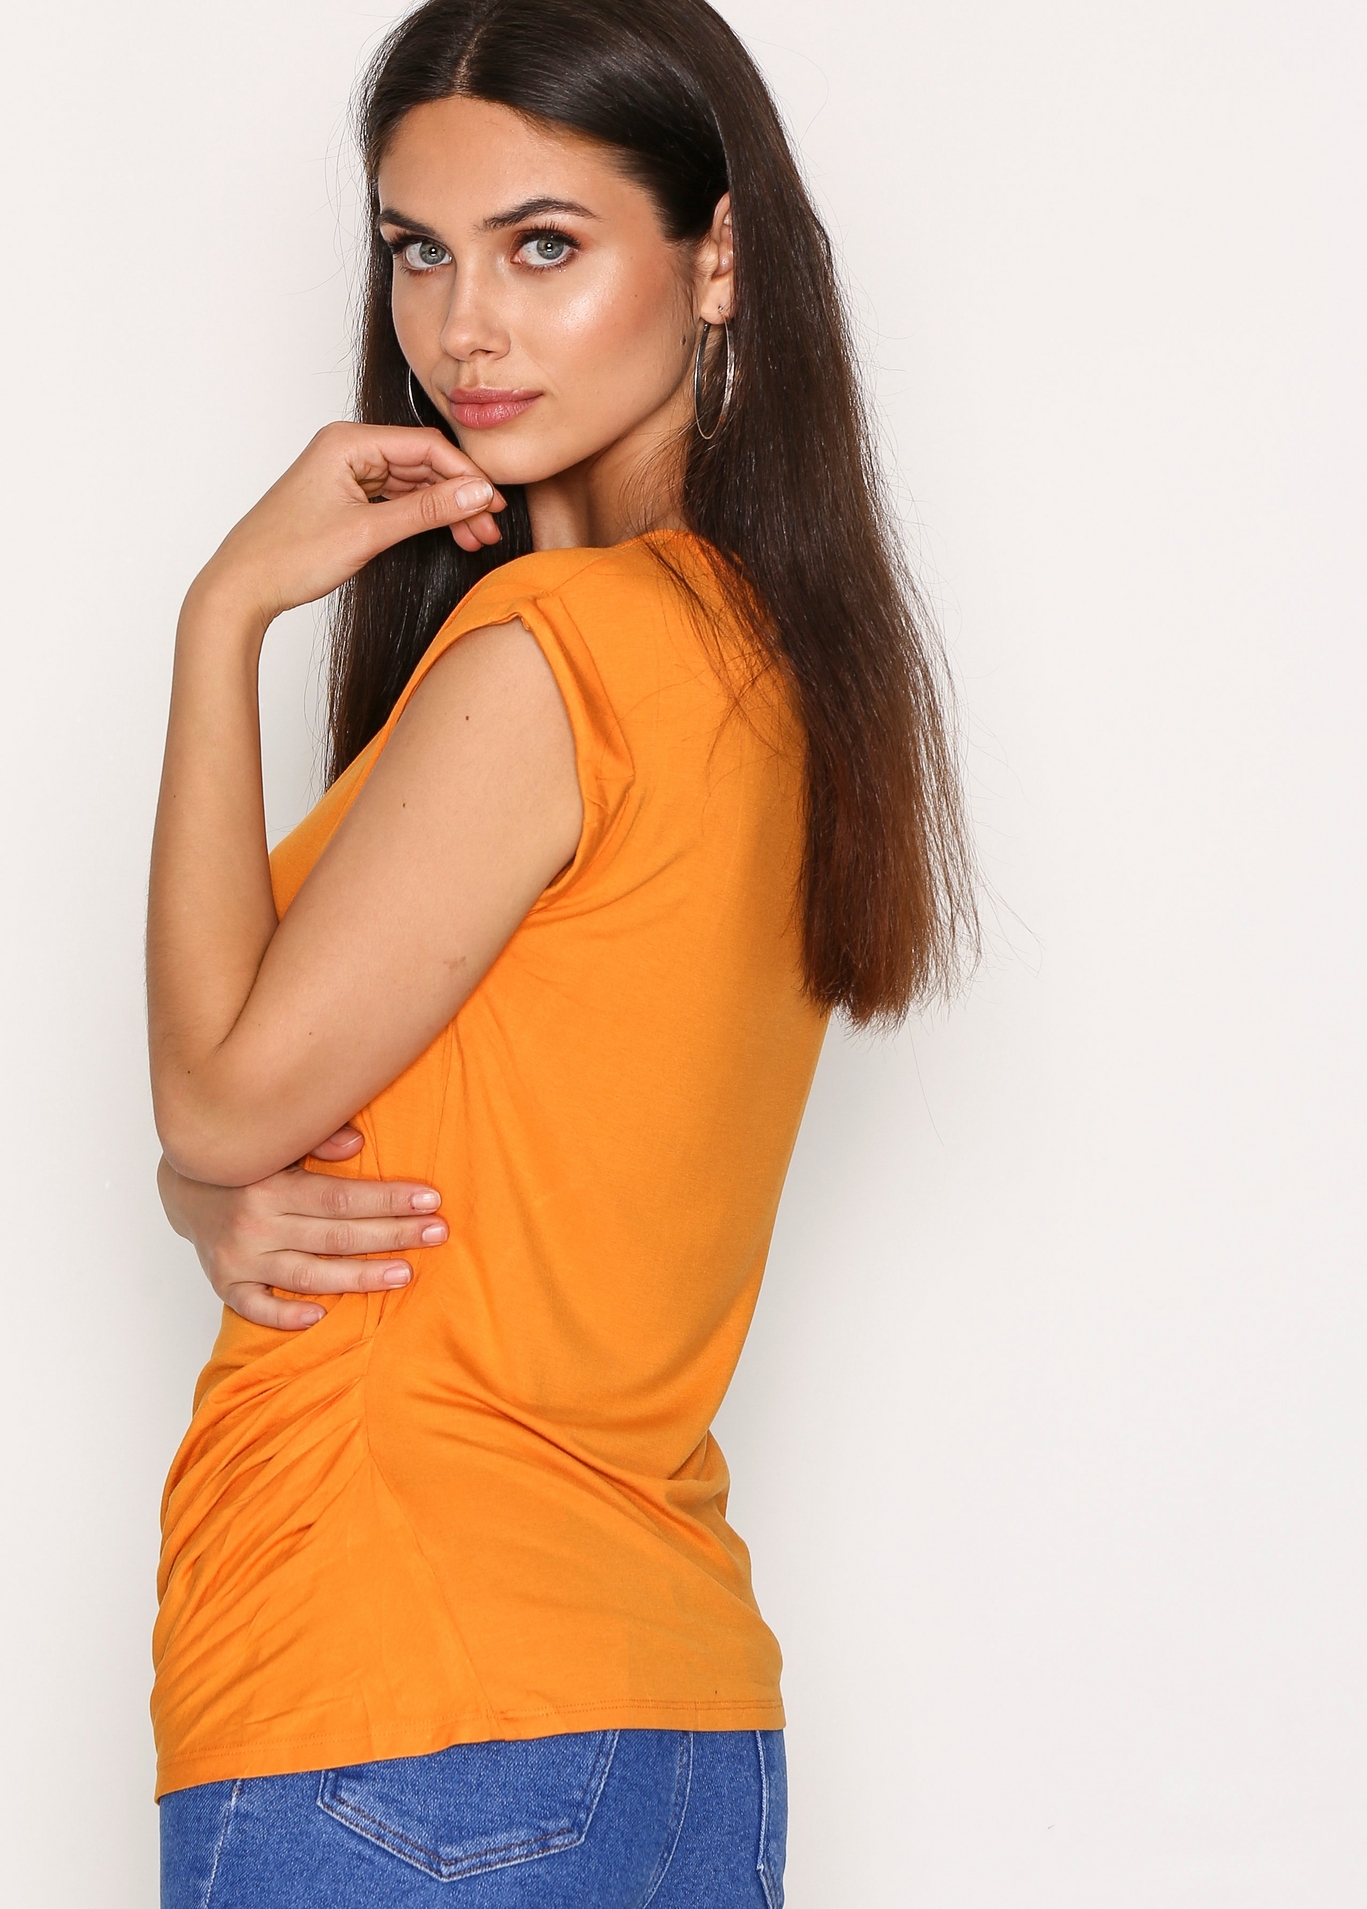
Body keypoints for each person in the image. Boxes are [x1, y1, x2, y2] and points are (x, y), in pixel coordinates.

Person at [147, 1, 976, 1902]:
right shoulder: (770, 661)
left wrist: (223, 613)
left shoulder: (556, 654)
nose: (464, 330)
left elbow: (220, 1092)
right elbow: (415, 1109)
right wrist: (212, 1182)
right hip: (669, 1727)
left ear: (717, 256)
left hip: (398, 1683)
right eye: (419, 251)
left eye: (543, 245)